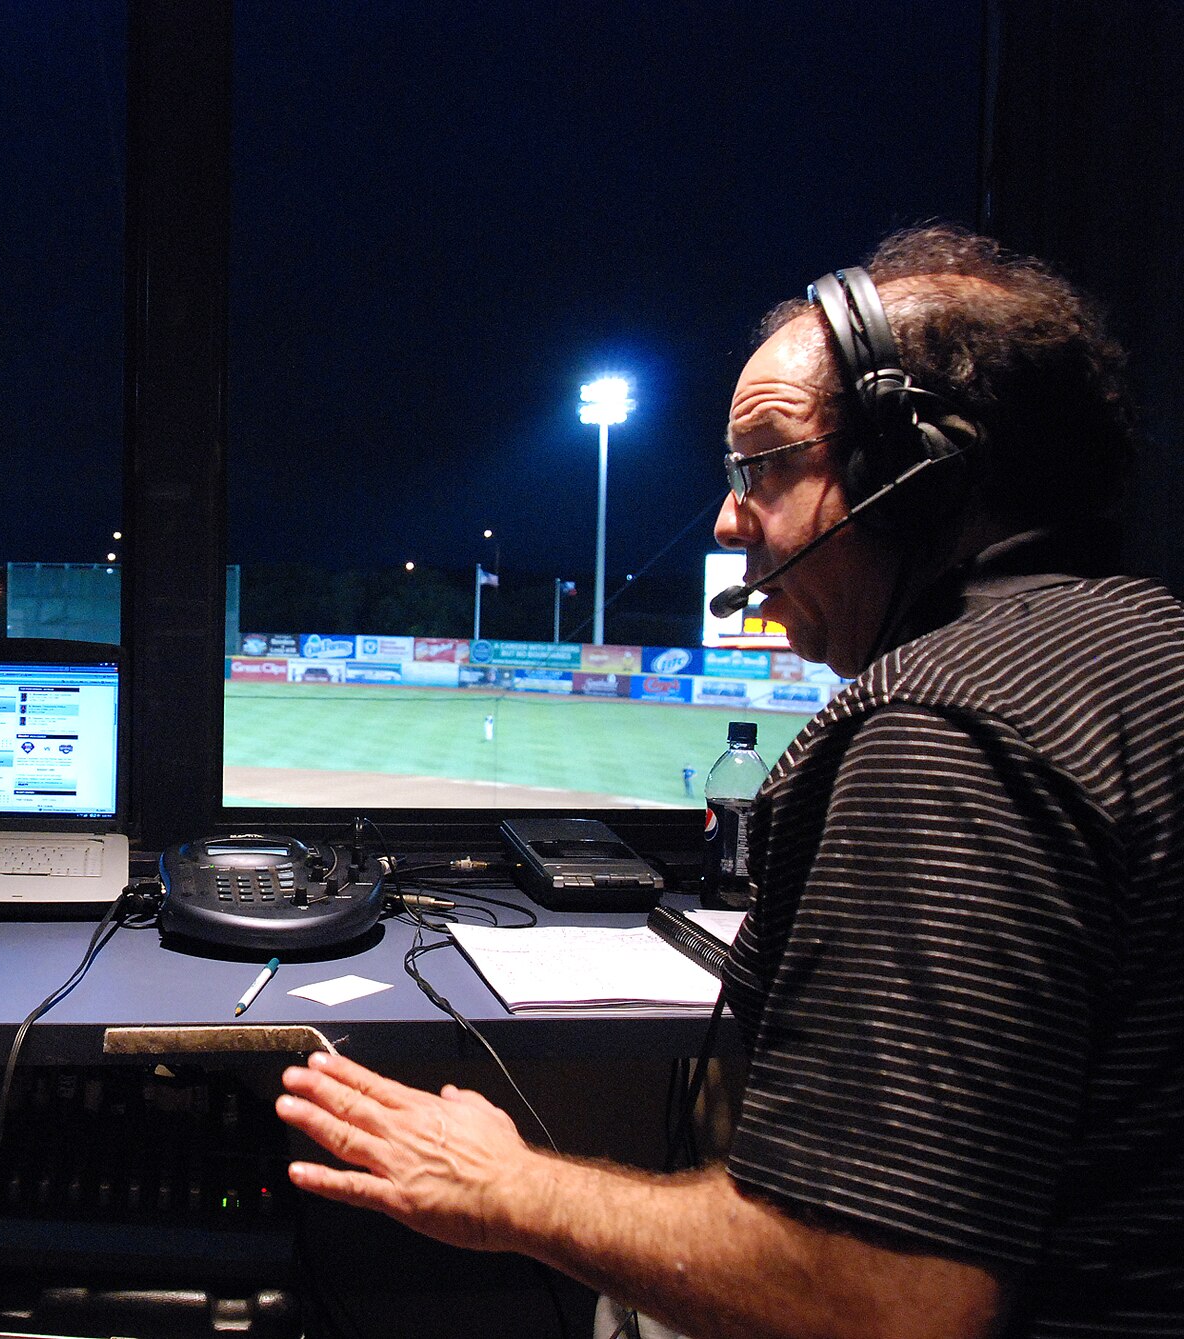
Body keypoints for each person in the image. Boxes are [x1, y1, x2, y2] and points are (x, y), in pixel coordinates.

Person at [276, 224, 1183, 1337]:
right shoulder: (1141, 653)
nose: (724, 518)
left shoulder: (940, 727)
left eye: (759, 464)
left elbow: (884, 1302)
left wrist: (507, 1186)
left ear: (905, 473)